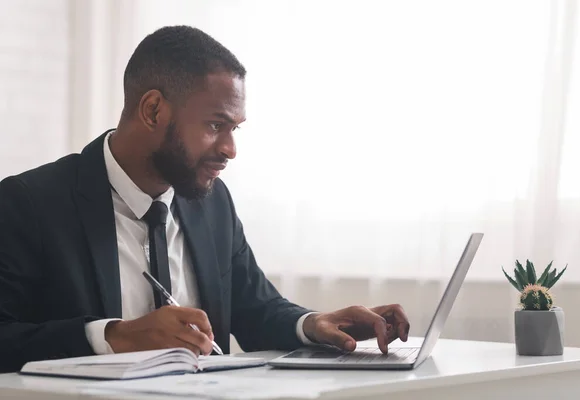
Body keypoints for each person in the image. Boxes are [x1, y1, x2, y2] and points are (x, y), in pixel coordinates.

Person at [0, 25, 409, 373]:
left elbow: (254, 309)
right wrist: (114, 336)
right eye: (216, 125)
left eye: (235, 129)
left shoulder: (212, 202)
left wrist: (315, 324)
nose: (230, 149)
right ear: (154, 110)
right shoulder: (28, 204)